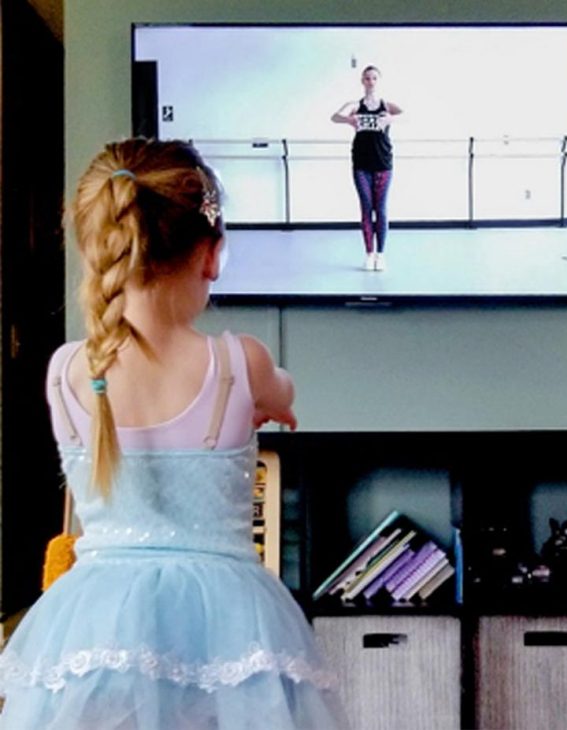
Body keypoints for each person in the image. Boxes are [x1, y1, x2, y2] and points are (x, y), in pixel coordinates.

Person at [0, 139, 344, 729]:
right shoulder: (241, 363)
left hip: (96, 622)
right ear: (211, 256)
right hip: (227, 623)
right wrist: (265, 403)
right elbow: (282, 395)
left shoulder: (65, 372)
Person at [331, 65, 403, 272]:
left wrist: (392, 119)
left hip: (383, 162)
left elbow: (407, 116)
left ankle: (381, 254)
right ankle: (369, 254)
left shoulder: (387, 105)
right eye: (367, 78)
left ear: (378, 81)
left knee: (380, 208)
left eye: (374, 78)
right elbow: (334, 117)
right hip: (361, 163)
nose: (370, 82)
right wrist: (348, 120)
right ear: (362, 81)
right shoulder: (355, 105)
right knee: (365, 207)